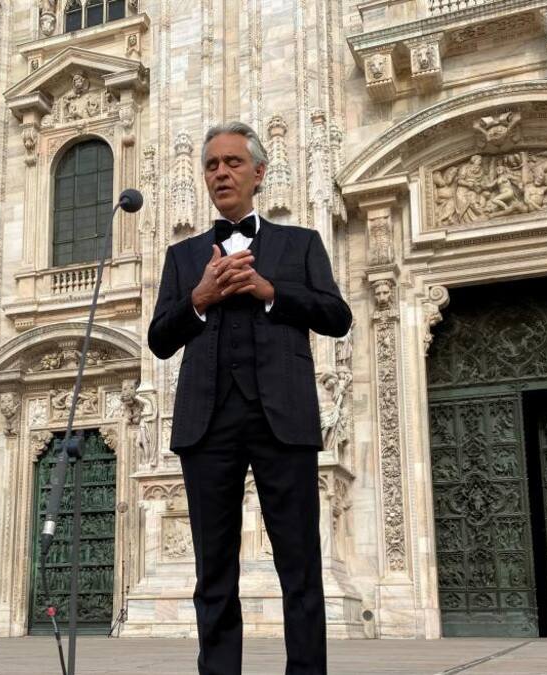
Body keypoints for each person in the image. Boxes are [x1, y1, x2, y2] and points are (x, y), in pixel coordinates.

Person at [148, 121, 351, 675]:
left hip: (282, 417)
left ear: (259, 173)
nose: (221, 173)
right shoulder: (184, 256)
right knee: (214, 569)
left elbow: (337, 317)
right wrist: (200, 297)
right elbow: (160, 339)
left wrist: (270, 293)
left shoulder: (299, 244)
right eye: (212, 164)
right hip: (207, 421)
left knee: (299, 563)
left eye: (233, 162)